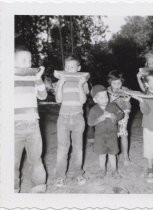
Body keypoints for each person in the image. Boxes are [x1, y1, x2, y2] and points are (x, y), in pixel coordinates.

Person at [14, 46, 47, 193]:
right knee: (12, 162)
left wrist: (38, 79)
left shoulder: (33, 78)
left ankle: (39, 186)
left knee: (36, 159)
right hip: (13, 127)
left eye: (30, 60)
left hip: (33, 125)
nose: (28, 63)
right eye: (23, 60)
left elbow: (43, 96)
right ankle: (12, 189)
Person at [55, 55, 89, 187]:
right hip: (63, 118)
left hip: (77, 117)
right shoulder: (60, 81)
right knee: (62, 149)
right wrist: (61, 83)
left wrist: (81, 85)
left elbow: (83, 101)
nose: (69, 69)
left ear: (78, 68)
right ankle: (60, 176)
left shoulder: (83, 82)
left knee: (78, 148)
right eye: (67, 67)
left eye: (72, 67)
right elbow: (58, 100)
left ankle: (78, 174)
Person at [88, 85, 124, 179]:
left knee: (113, 154)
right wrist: (99, 120)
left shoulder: (112, 106)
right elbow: (90, 122)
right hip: (100, 136)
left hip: (112, 135)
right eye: (101, 97)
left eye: (106, 96)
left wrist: (113, 117)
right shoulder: (93, 110)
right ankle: (102, 170)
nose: (105, 99)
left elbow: (121, 114)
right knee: (102, 155)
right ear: (95, 100)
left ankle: (114, 171)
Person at [107, 70, 131, 166]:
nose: (117, 85)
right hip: (112, 115)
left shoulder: (126, 90)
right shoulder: (107, 91)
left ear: (122, 82)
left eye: (119, 83)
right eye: (114, 83)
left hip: (124, 113)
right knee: (113, 135)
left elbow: (129, 108)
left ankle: (125, 156)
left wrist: (128, 101)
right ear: (110, 82)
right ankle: (114, 153)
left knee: (123, 134)